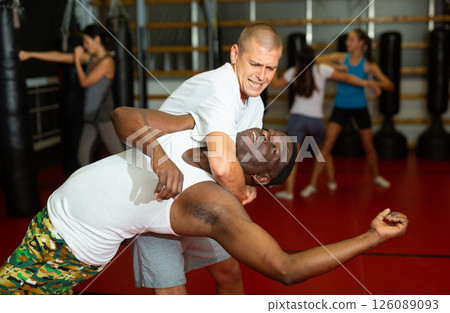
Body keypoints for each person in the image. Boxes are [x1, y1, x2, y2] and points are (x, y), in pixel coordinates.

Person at [0, 114, 408, 294]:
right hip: (51, 222)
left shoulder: (211, 203)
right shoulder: (202, 131)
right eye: (268, 130)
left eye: (270, 145)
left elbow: (287, 268)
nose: (262, 134)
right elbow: (124, 114)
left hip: (62, 246)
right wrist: (158, 155)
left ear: (261, 177)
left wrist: (371, 237)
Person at [111, 23, 282, 294]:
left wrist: (248, 181)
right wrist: (239, 190)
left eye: (270, 68)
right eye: (255, 64)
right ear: (235, 54)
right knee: (173, 294)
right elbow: (225, 168)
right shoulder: (219, 89)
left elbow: (243, 159)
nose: (261, 76)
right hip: (159, 195)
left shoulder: (255, 103)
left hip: (201, 196)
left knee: (229, 274)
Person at [270, 45, 381, 200]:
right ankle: (332, 181)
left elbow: (274, 85)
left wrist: (272, 65)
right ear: (314, 57)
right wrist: (367, 83)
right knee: (324, 150)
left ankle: (289, 192)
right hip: (315, 118)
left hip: (297, 117)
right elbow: (347, 78)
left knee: (293, 156)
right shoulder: (322, 69)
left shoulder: (294, 70)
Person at [300, 29, 395, 197]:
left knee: (368, 146)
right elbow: (316, 60)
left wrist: (373, 82)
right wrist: (337, 67)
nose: (347, 42)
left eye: (351, 40)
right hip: (340, 107)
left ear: (361, 43)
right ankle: (312, 184)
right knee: (327, 145)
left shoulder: (368, 65)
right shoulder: (341, 57)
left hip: (360, 108)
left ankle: (376, 176)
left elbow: (389, 85)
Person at [19, 24, 124, 167]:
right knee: (82, 155)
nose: (85, 46)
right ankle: (91, 187)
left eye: (87, 42)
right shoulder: (89, 58)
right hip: (91, 117)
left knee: (119, 154)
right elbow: (60, 56)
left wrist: (77, 60)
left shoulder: (107, 62)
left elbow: (85, 82)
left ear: (97, 40)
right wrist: (30, 54)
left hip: (104, 117)